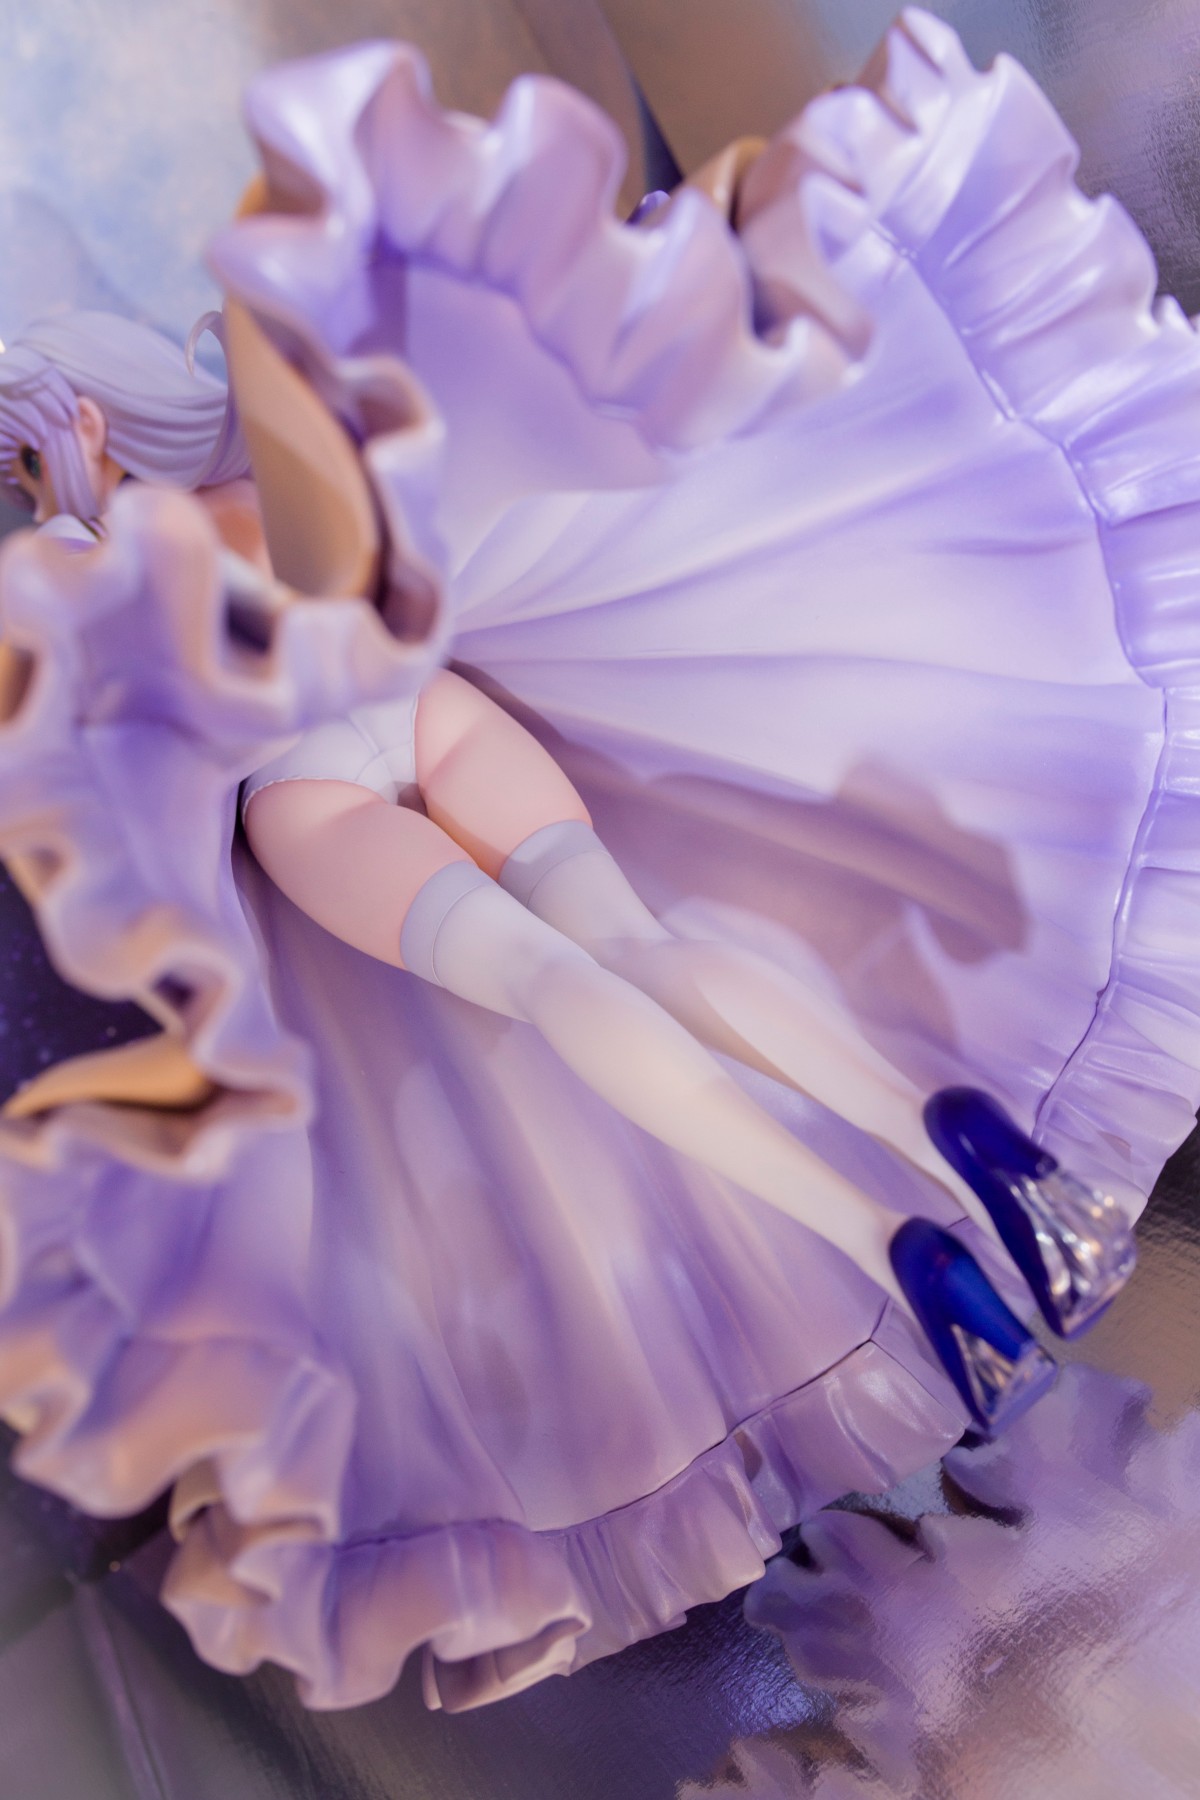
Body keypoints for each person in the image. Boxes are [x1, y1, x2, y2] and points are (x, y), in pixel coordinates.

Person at [0, 10, 1181, 1712]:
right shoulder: (232, 476)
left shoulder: (116, 561)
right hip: (418, 717)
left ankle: (884, 1228)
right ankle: (963, 1155)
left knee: (567, 985)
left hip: (319, 796)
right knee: (628, 944)